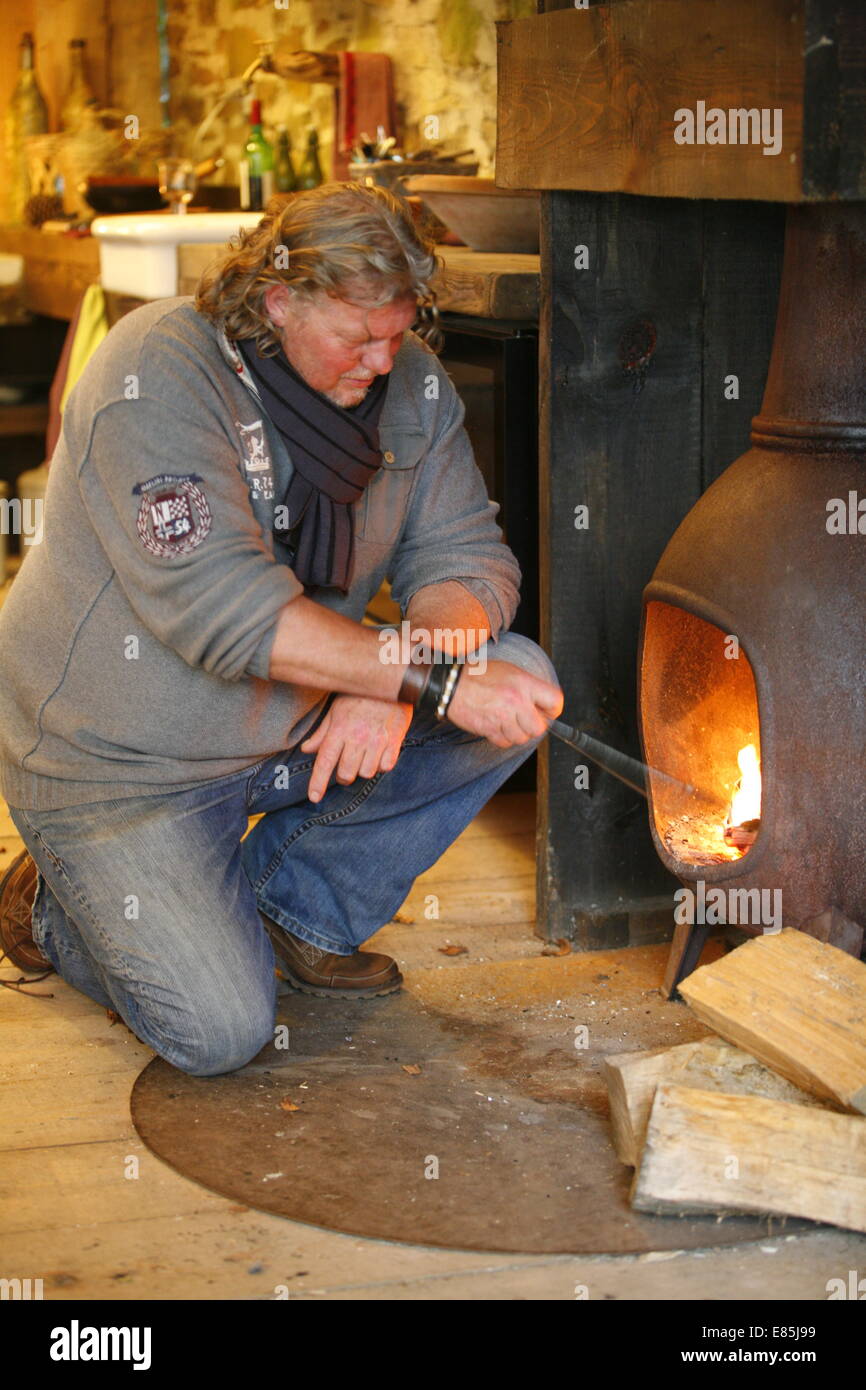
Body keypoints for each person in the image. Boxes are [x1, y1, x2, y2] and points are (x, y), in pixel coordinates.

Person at [0, 182, 562, 1076]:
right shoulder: (159, 371)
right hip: (119, 762)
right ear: (277, 301)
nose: (384, 361)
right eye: (356, 336)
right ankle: (53, 901)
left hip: (281, 727)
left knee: (519, 675)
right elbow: (225, 616)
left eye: (399, 331)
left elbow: (468, 560)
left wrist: (405, 670)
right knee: (219, 1034)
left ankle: (293, 911)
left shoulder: (410, 381)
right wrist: (412, 680)